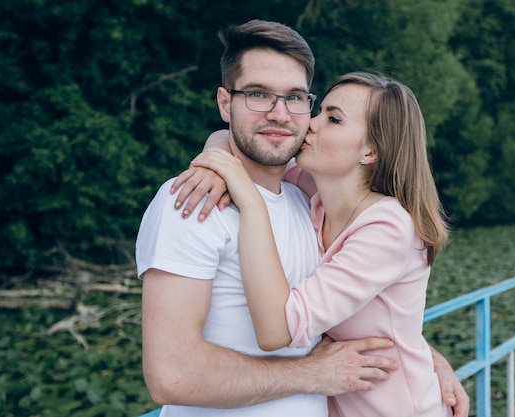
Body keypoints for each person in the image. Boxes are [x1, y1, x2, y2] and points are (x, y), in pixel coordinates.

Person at [136, 20, 399, 417]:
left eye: (294, 97)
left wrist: (423, 358)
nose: (279, 114)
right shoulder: (191, 201)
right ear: (226, 103)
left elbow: (338, 310)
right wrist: (310, 373)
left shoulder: (305, 200)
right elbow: (171, 374)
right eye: (258, 94)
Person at [182, 71, 453, 417]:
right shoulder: (314, 190)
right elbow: (231, 138)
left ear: (371, 150)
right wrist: (214, 164)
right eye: (319, 110)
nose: (311, 123)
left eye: (334, 119)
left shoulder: (389, 229)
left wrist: (249, 199)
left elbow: (277, 329)